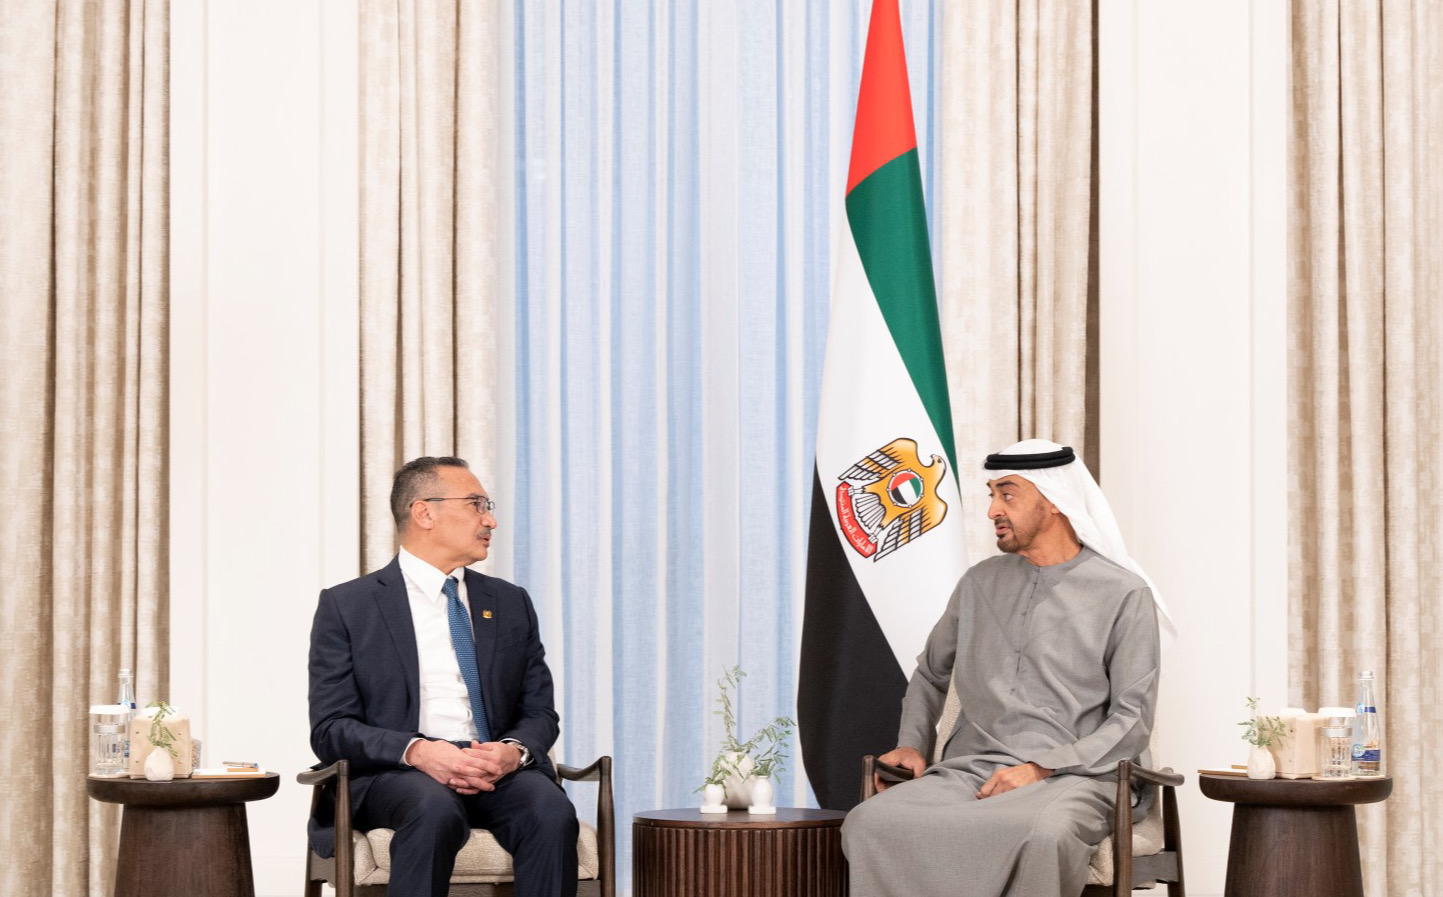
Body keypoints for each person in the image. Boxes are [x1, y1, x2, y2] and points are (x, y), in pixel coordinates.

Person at [841, 439, 1169, 897]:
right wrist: (913, 744)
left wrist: (1040, 768)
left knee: (1044, 834)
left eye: (1007, 494)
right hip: (968, 772)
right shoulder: (979, 583)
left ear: (1054, 501)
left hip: (1077, 778)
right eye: (992, 494)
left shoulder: (1123, 593)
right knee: (870, 822)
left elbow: (1132, 720)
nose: (993, 508)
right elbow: (931, 674)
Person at [308, 456, 578, 897]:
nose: (490, 519)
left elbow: (539, 712)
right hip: (396, 773)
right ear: (424, 512)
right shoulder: (348, 606)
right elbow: (330, 729)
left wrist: (512, 752)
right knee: (432, 809)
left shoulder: (510, 602)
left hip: (495, 768)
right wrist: (419, 752)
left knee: (549, 809)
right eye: (476, 504)